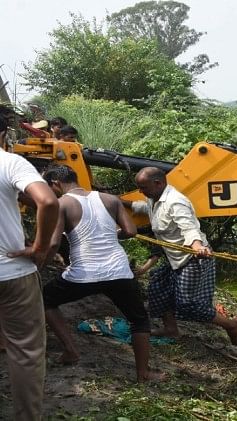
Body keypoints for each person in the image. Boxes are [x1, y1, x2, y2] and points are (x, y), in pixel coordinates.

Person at [41, 165, 162, 382]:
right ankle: (144, 373)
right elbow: (131, 231)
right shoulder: (110, 199)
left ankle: (70, 351)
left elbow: (53, 243)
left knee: (45, 300)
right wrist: (107, 235)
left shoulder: (61, 204)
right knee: (139, 320)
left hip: (83, 274)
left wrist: (39, 265)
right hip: (119, 271)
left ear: (56, 184)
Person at [124, 167, 237, 344]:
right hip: (174, 258)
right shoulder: (153, 198)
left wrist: (197, 246)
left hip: (193, 258)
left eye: (143, 187)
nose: (141, 191)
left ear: (158, 183)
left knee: (188, 305)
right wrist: (118, 201)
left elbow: (189, 227)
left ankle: (230, 325)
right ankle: (171, 329)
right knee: (158, 285)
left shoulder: (176, 202)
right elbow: (141, 207)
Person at [0, 115, 59, 420]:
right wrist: (40, 247)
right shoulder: (9, 162)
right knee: (25, 353)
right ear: (3, 133)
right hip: (12, 271)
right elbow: (48, 202)